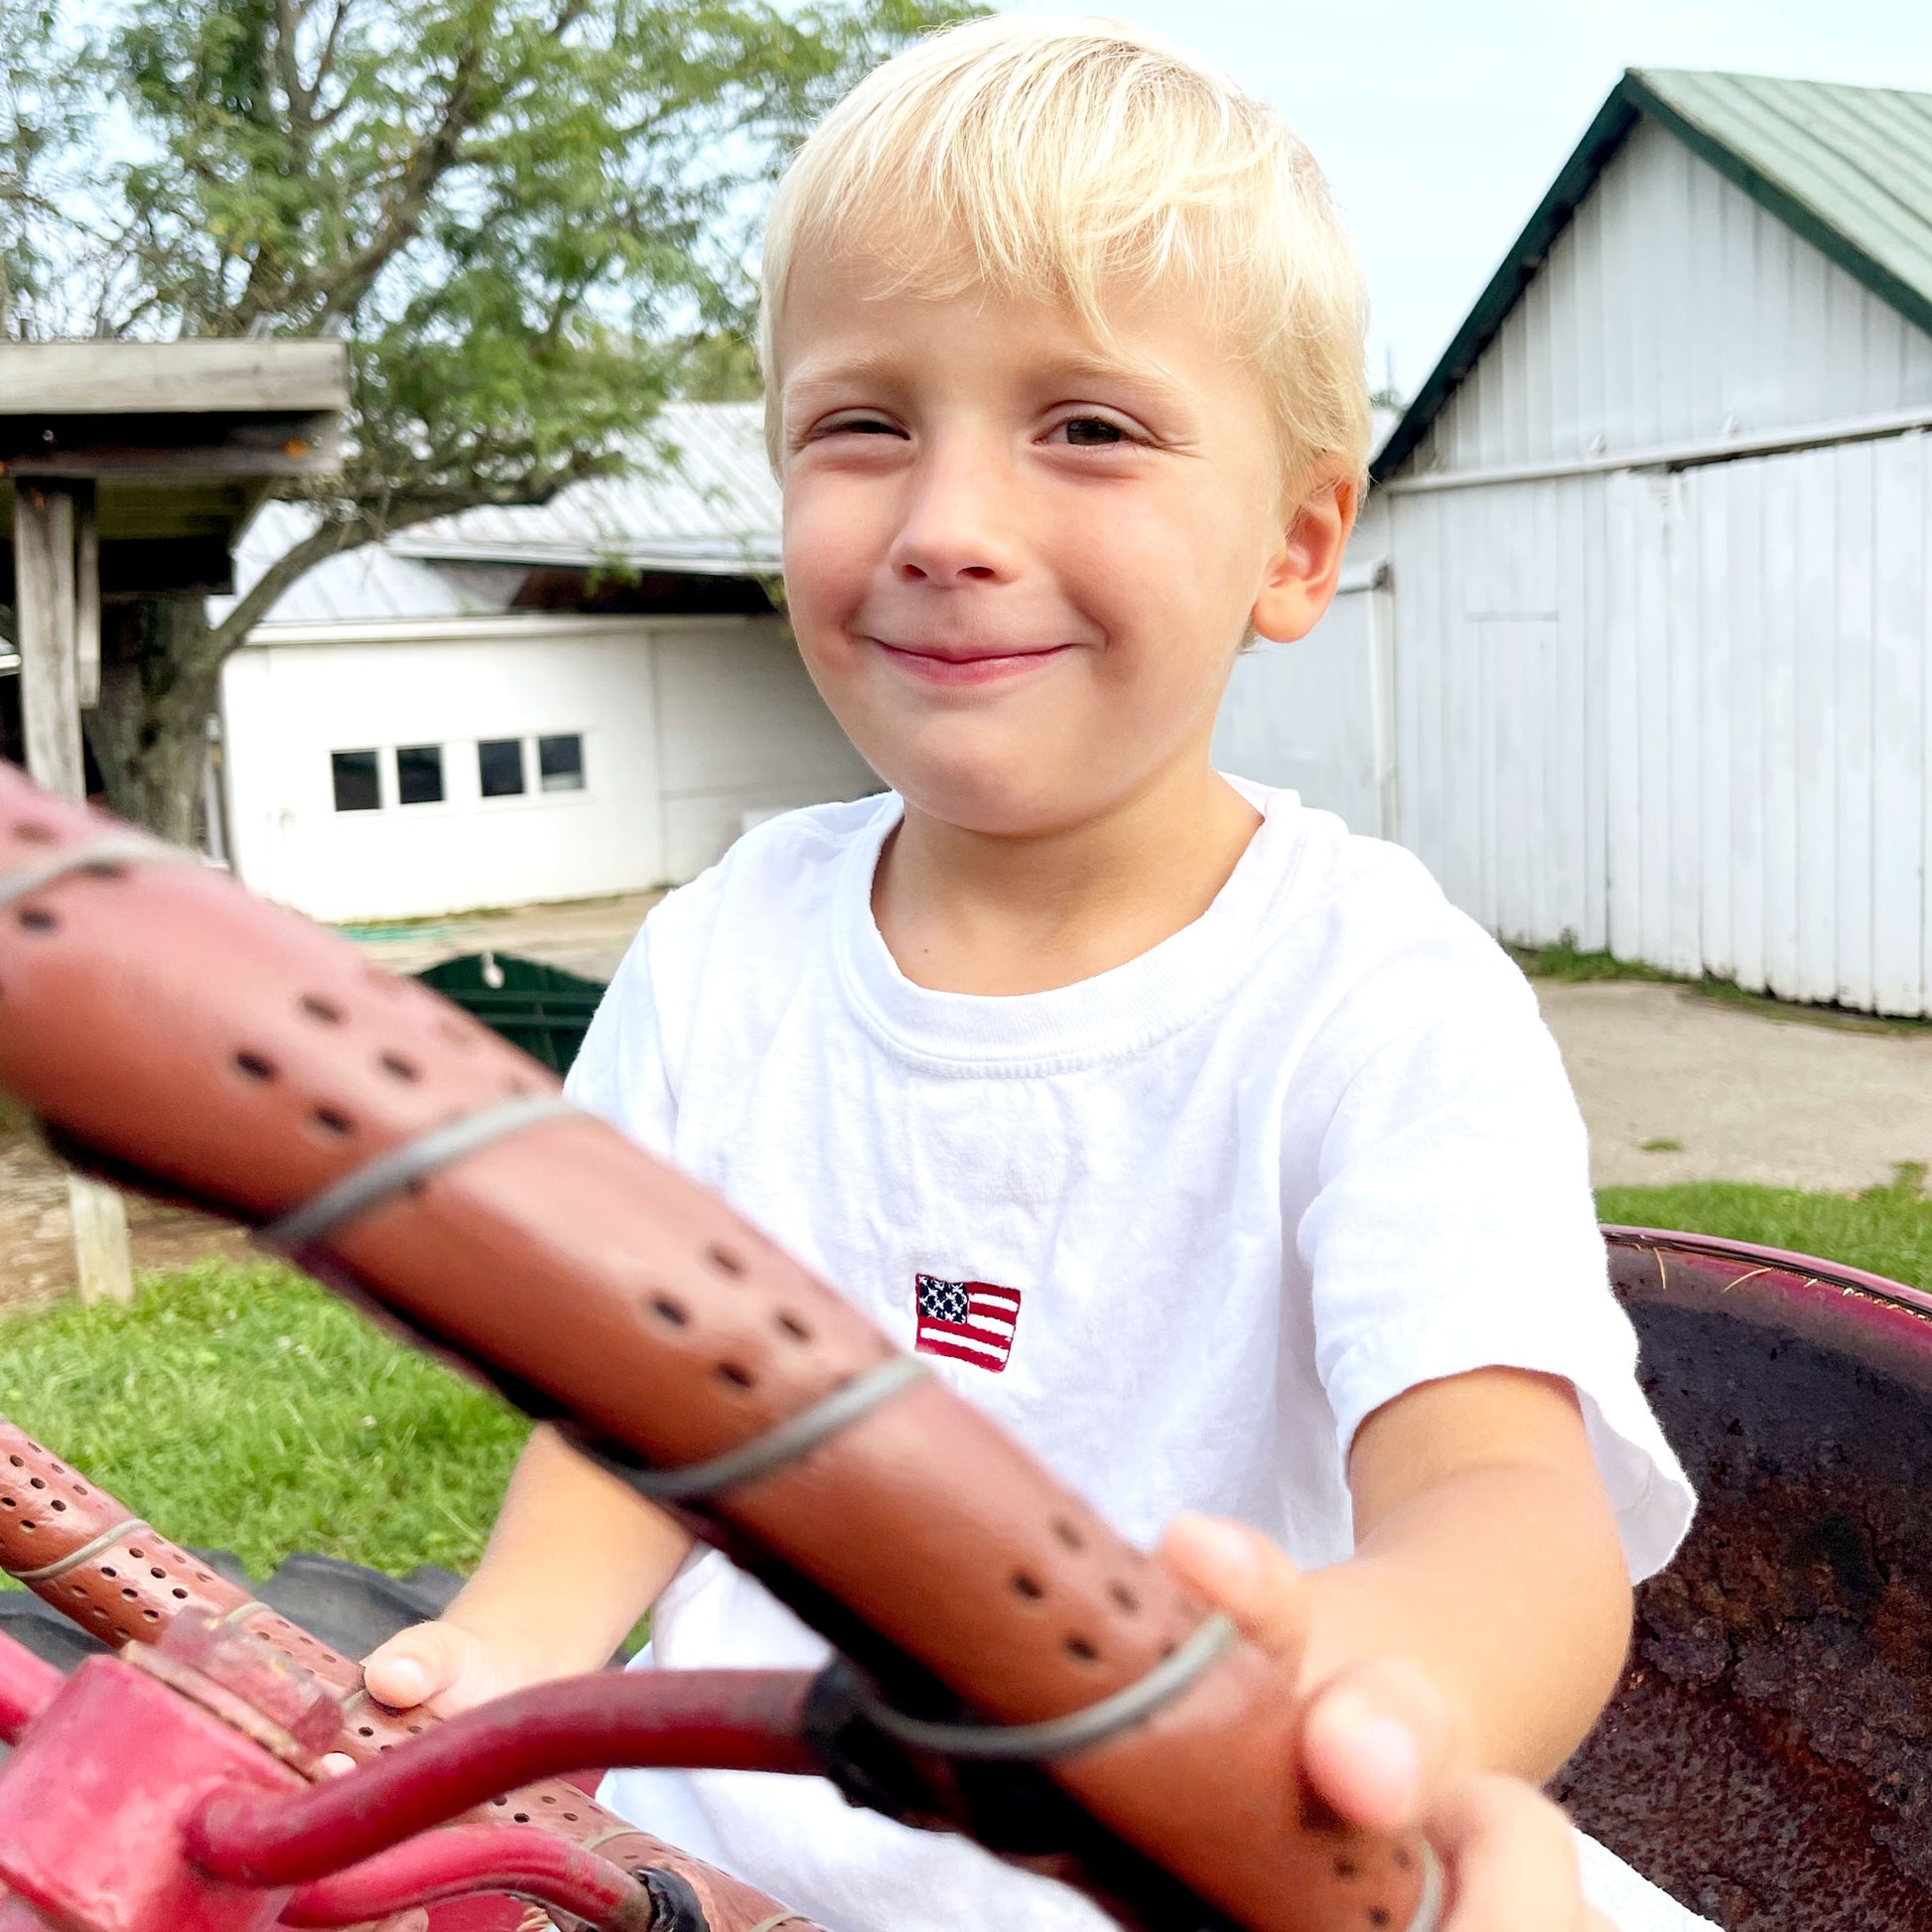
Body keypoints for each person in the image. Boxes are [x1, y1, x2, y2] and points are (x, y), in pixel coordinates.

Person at [356, 17, 1710, 1929]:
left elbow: (1509, 1514)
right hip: (740, 1852)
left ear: (1297, 540)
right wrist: (504, 1653)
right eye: (862, 424)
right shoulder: (730, 944)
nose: (947, 528)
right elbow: (633, 1397)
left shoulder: (1379, 999)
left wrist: (1365, 1689)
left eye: (1085, 427)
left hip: (1207, 1862)